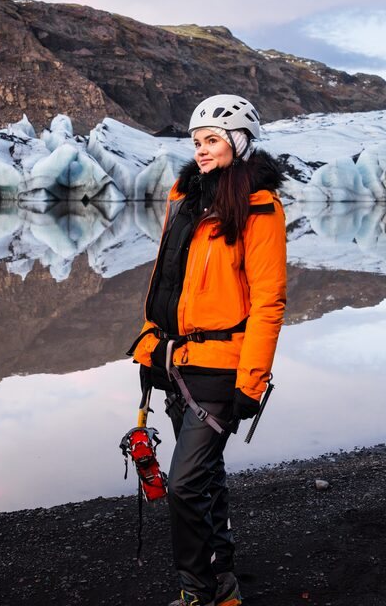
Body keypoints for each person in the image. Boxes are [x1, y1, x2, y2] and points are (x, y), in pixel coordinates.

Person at [128, 94, 287, 606]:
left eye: (212, 140)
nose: (201, 149)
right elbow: (168, 284)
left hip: (223, 371)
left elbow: (269, 303)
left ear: (238, 143)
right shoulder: (187, 200)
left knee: (186, 485)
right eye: (197, 141)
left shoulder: (259, 208)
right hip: (178, 364)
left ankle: (196, 590)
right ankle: (225, 587)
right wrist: (154, 345)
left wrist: (252, 382)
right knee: (207, 481)